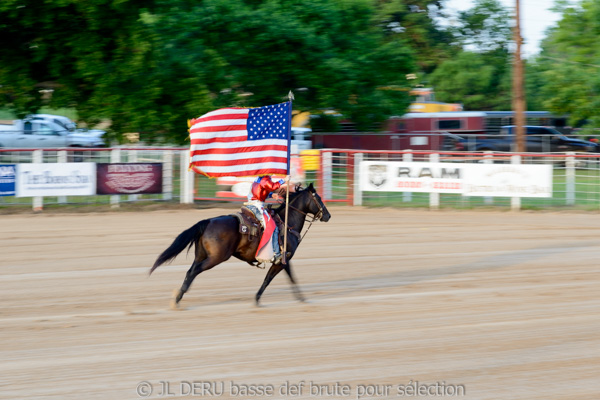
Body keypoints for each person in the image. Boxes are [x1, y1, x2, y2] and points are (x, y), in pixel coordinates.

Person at [246, 175, 295, 263]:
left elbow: (260, 191)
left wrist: (272, 195)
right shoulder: (265, 179)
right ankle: (276, 254)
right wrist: (284, 180)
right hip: (256, 207)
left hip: (251, 204)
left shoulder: (258, 179)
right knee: (273, 228)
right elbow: (272, 186)